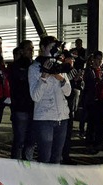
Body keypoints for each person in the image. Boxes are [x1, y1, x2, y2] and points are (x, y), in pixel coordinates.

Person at [28, 35, 71, 164]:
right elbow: (35, 96)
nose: (55, 51)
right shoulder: (34, 68)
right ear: (42, 48)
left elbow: (68, 92)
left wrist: (61, 78)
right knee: (45, 158)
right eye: (52, 48)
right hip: (44, 118)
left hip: (62, 118)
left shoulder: (60, 66)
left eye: (56, 48)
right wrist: (44, 77)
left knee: (57, 158)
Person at [8, 40, 35, 160]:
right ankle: (16, 165)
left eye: (32, 48)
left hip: (33, 107)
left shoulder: (34, 65)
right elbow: (17, 84)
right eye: (29, 49)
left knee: (31, 140)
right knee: (19, 140)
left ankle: (27, 164)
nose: (31, 51)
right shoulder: (15, 66)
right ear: (22, 51)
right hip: (20, 107)